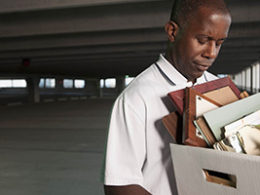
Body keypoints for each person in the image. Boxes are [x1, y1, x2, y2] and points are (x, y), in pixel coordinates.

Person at [102, 0, 232, 194]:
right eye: (203, 40)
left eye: (219, 43)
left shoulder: (220, 89)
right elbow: (119, 185)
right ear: (172, 32)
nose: (211, 53)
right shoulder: (136, 98)